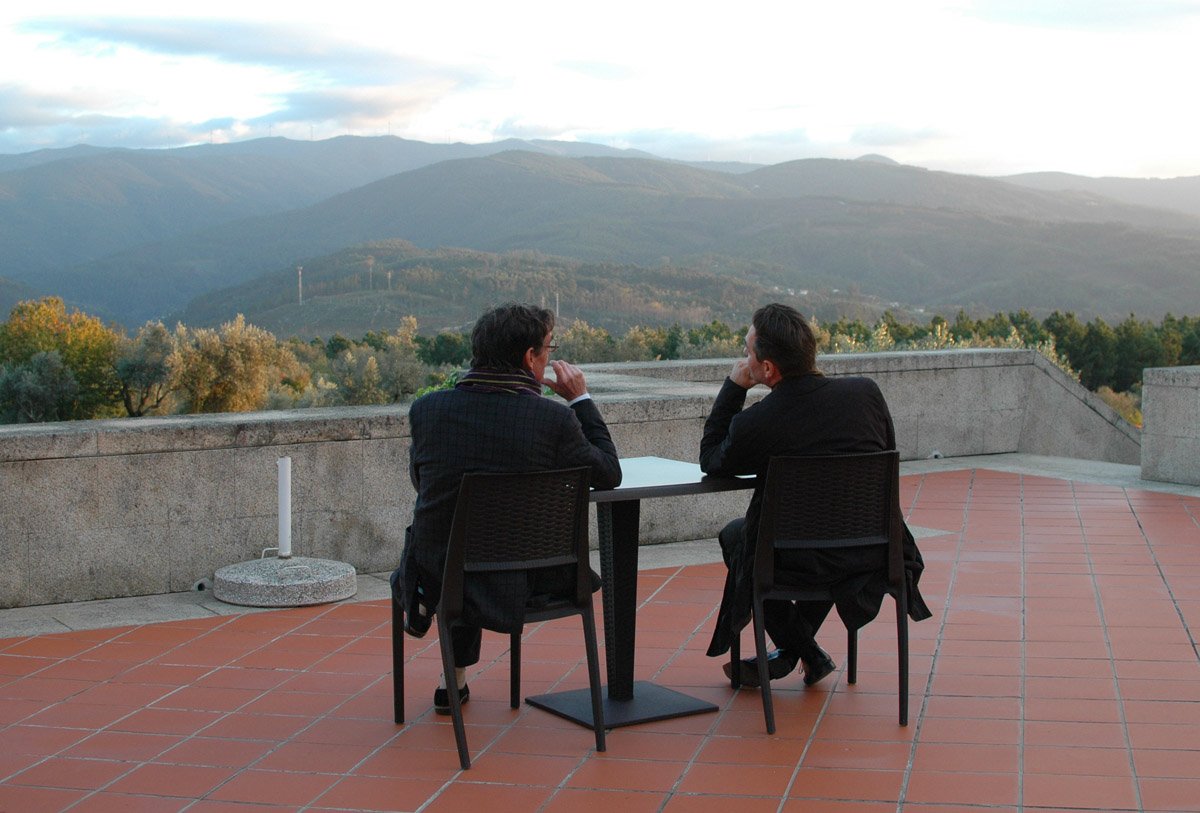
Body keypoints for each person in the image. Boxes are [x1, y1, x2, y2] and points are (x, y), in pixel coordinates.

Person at [391, 302, 621, 713]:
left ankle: (452, 670)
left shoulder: (427, 411)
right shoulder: (551, 421)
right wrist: (581, 399)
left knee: (458, 539)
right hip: (530, 577)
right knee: (486, 544)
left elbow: (422, 482)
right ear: (530, 357)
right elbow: (608, 473)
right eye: (548, 349)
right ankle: (454, 672)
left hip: (444, 574)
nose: (549, 358)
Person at [700, 303, 931, 687]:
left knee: (738, 538)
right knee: (826, 539)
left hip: (798, 557)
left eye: (747, 352)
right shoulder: (866, 395)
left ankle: (802, 651)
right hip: (872, 550)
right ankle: (803, 651)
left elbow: (711, 458)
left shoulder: (759, 421)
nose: (744, 357)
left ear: (768, 368)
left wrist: (734, 386)